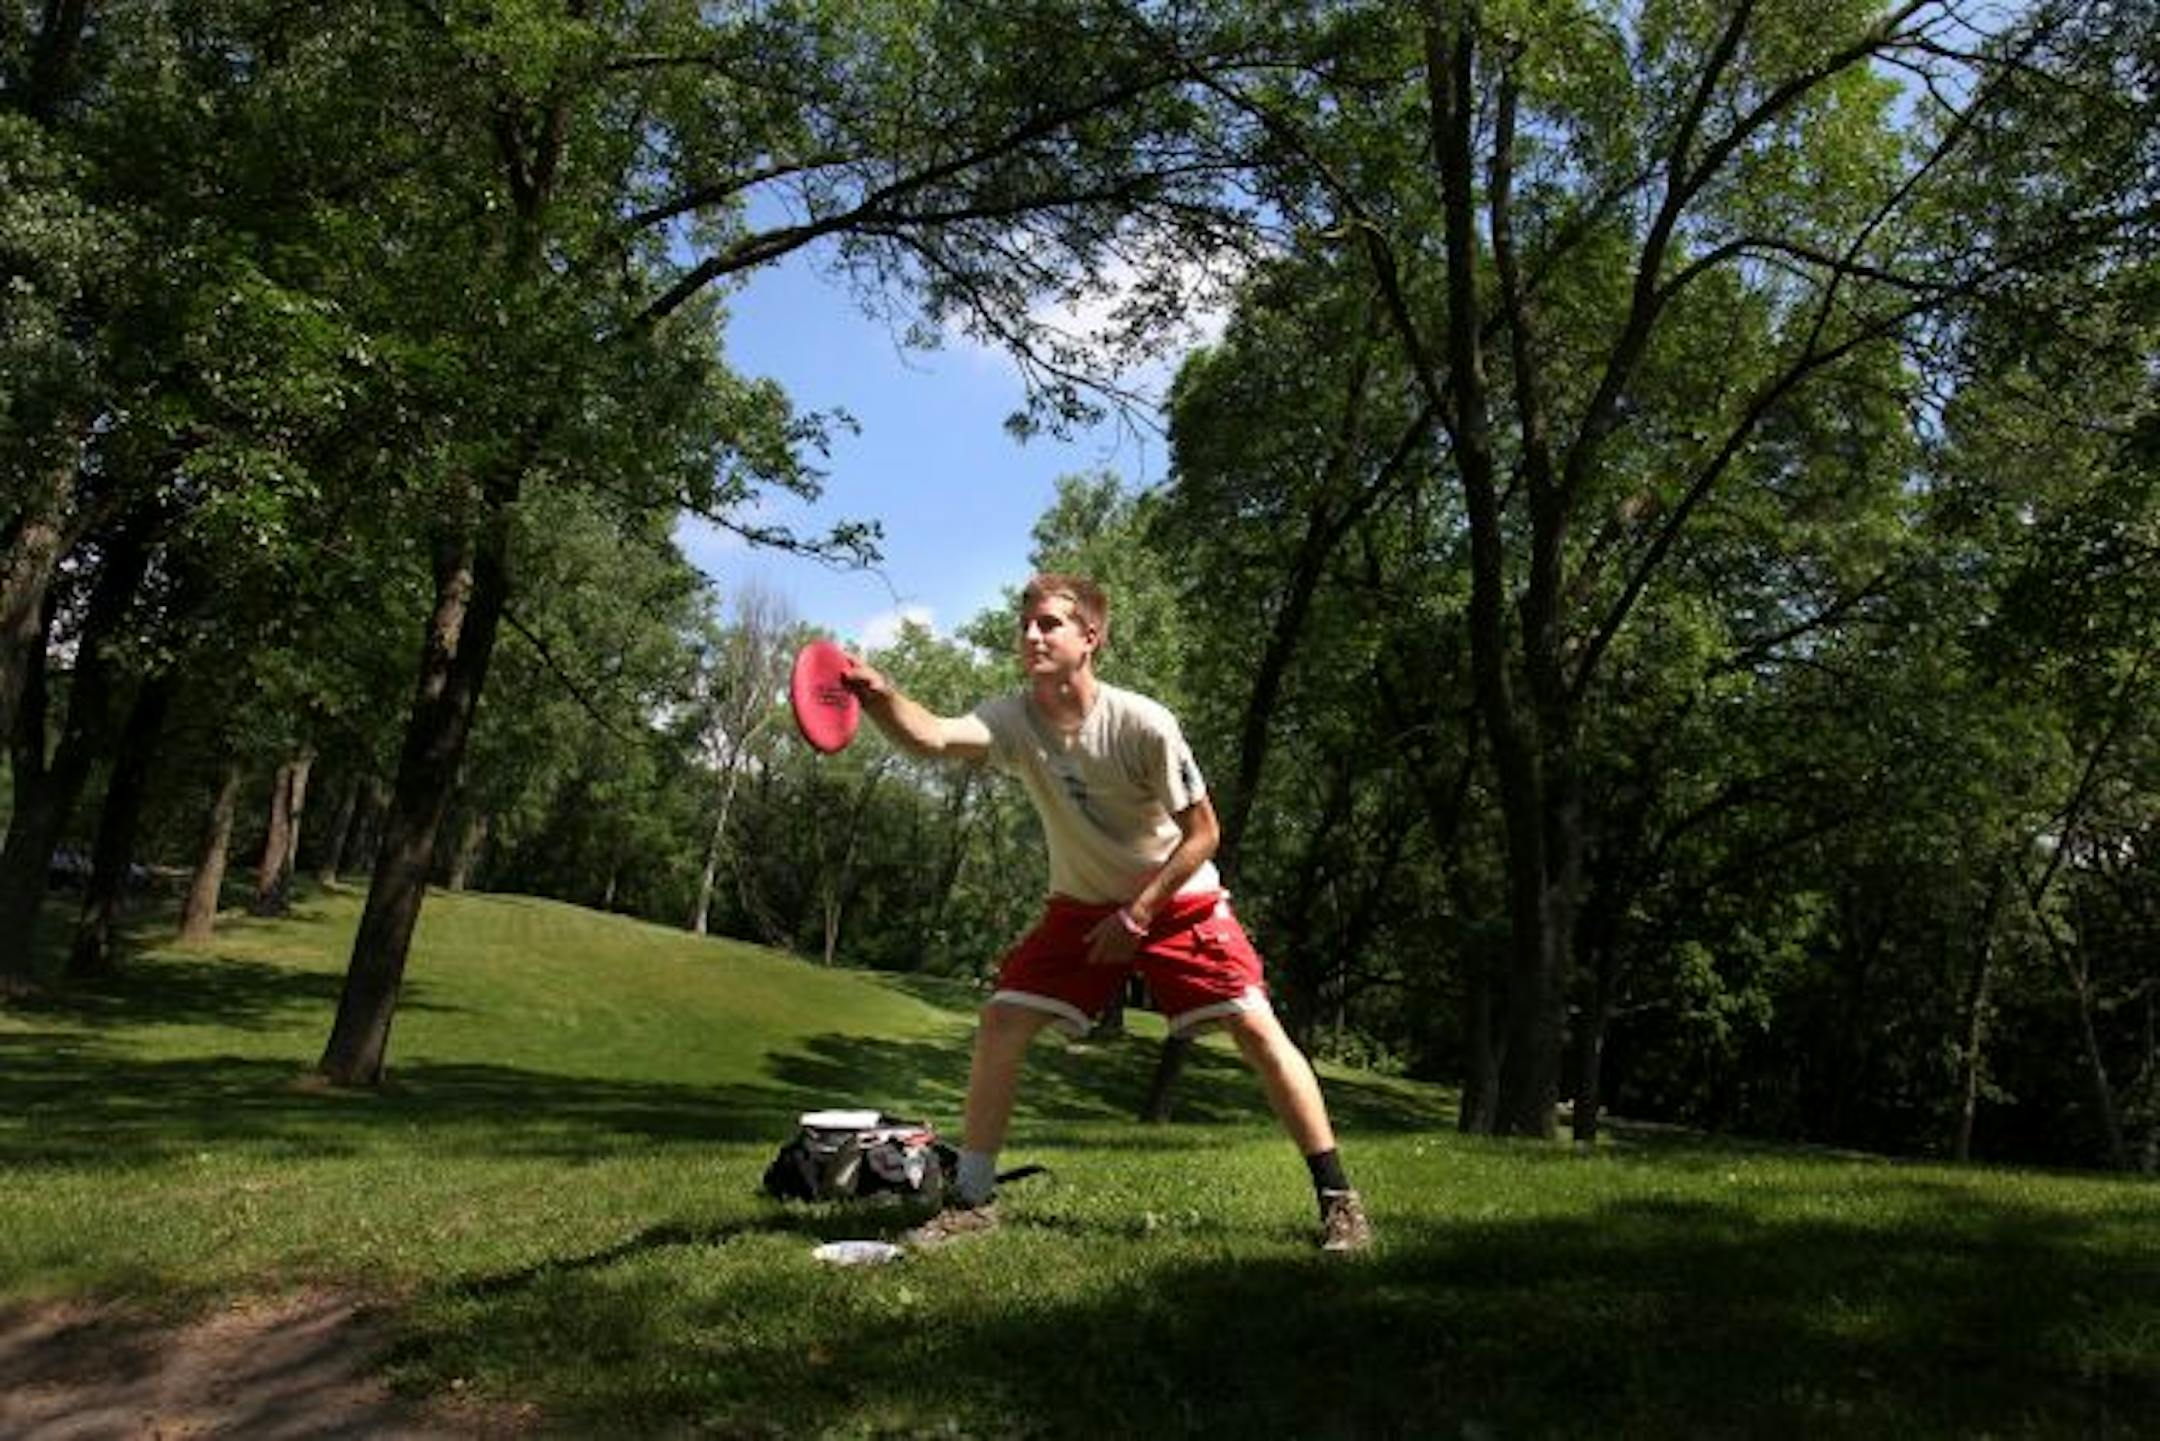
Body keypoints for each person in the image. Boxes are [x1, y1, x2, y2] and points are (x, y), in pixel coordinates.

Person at [841, 573, 1373, 1253]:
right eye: (1026, 623)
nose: (1031, 634)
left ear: (1090, 637)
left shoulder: (1143, 723)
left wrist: (1141, 912)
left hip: (1179, 902)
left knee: (1257, 1028)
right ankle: (973, 1200)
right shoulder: (1013, 718)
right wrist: (883, 697)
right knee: (1002, 1018)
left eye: (1050, 624)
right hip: (1081, 908)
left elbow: (1205, 832)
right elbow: (933, 737)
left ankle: (1340, 1202)